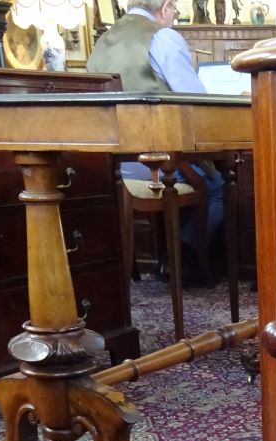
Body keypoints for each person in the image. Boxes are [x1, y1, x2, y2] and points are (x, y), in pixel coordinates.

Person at [86, 0, 224, 259]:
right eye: (174, 11)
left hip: (116, 167)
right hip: (160, 164)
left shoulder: (102, 41)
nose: (174, 17)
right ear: (165, 7)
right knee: (220, 188)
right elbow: (198, 103)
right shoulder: (163, 36)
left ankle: (165, 257)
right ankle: (181, 257)